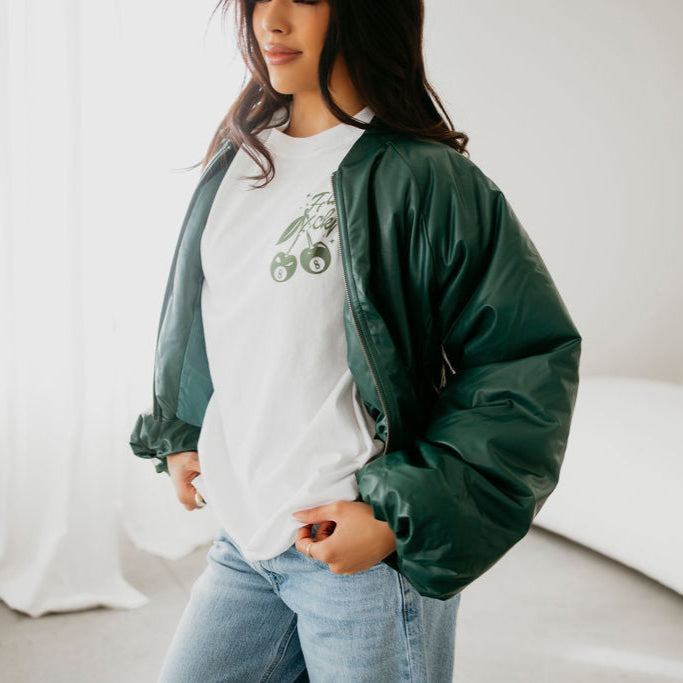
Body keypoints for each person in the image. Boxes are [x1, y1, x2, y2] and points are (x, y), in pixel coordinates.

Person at [129, 0, 582, 680]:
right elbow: (215, 321)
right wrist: (185, 430)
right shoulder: (238, 161)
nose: (270, 19)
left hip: (361, 553)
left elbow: (523, 361)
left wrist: (399, 518)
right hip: (248, 536)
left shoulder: (424, 177)